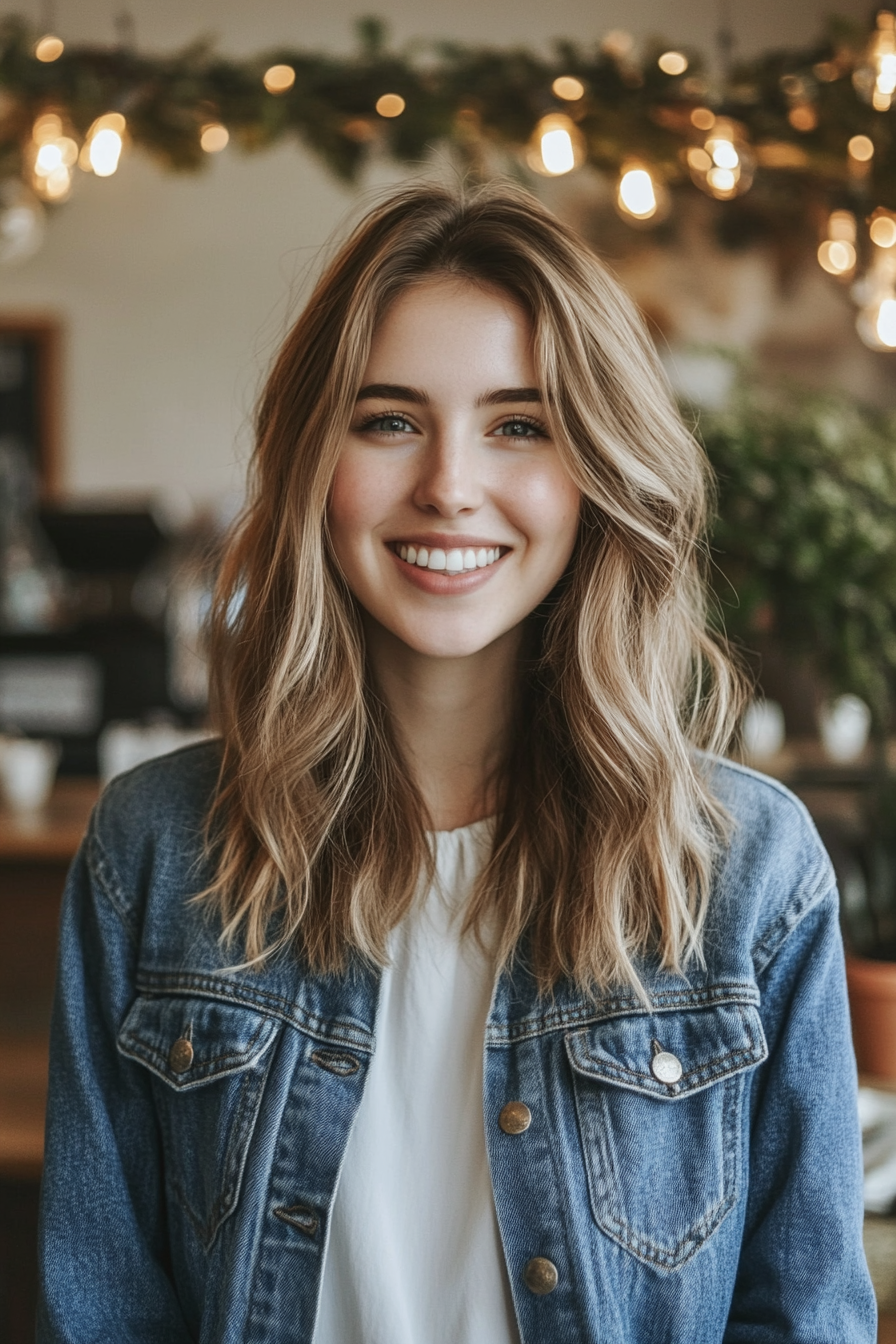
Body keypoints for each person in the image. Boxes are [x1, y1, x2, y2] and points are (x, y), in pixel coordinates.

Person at [38, 182, 875, 1344]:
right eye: (387, 420)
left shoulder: (745, 870)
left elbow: (804, 1319)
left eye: (518, 425)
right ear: (310, 465)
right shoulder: (154, 848)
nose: (448, 482)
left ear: (595, 472)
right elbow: (101, 1315)